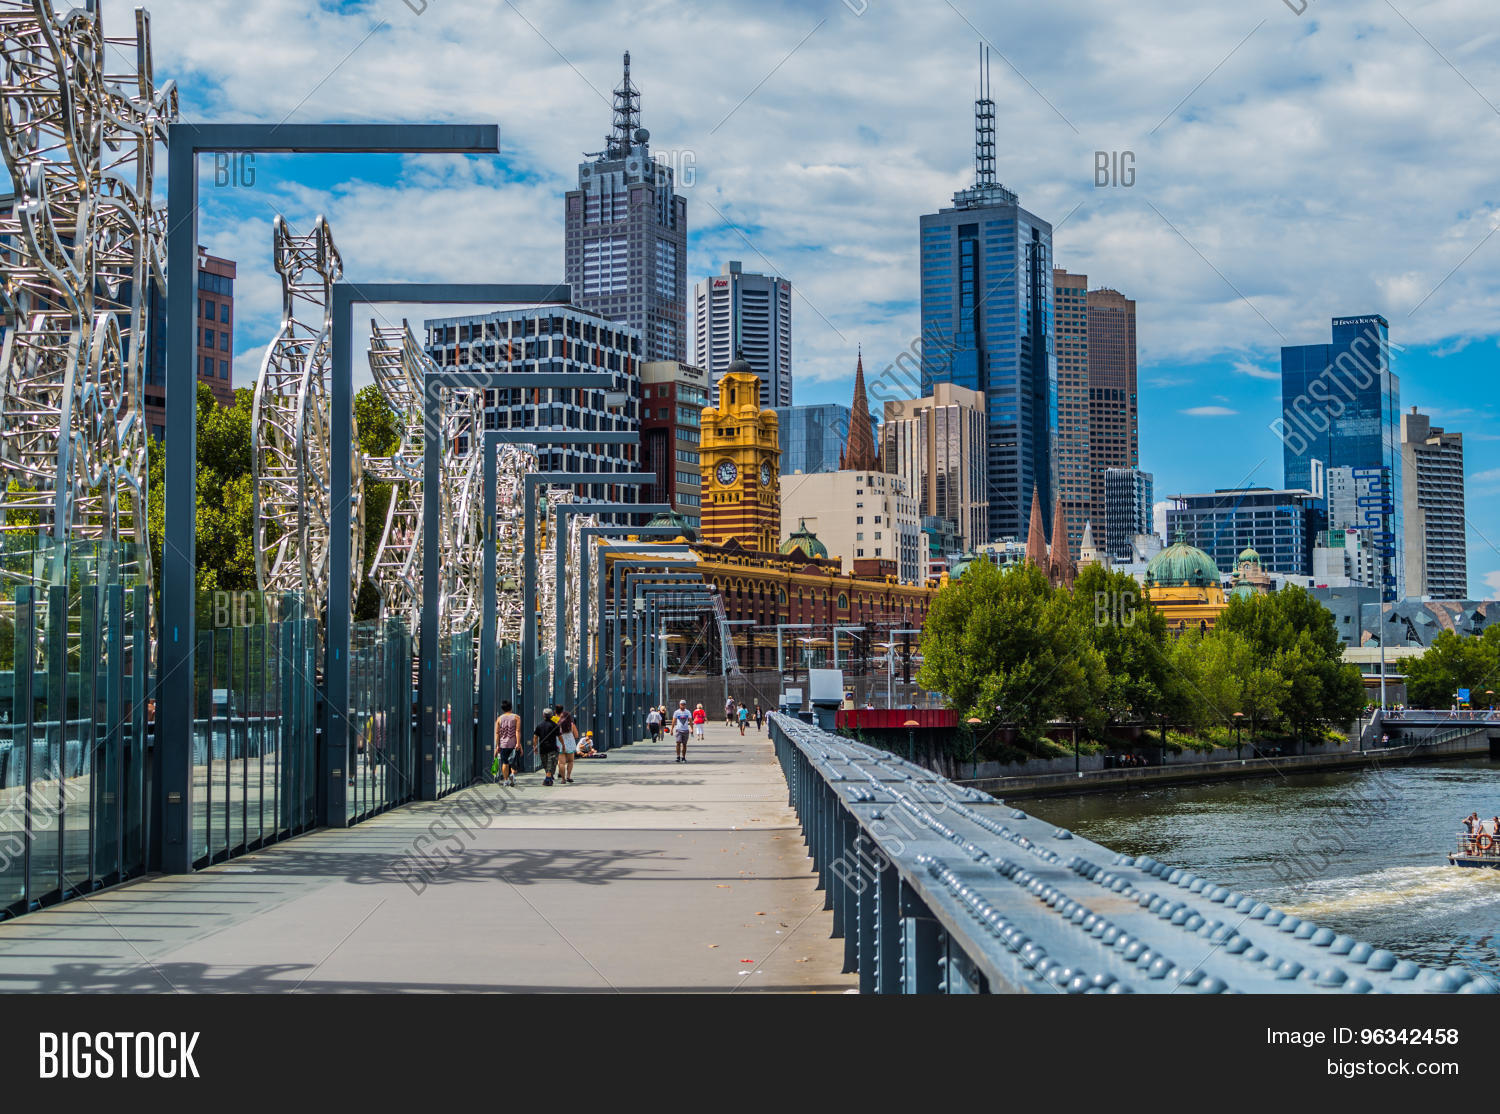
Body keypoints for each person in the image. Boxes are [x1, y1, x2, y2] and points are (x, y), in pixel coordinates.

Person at [494, 699, 522, 787]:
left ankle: (506, 780)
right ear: (511, 707)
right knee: (514, 761)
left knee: (505, 762)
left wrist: (497, 745)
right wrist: (518, 743)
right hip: (514, 744)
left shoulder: (499, 719)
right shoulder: (517, 717)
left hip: (503, 744)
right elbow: (517, 731)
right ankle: (512, 775)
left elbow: (497, 733)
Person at [533, 706, 562, 786]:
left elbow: (535, 737)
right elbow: (559, 736)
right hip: (552, 747)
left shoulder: (539, 725)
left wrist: (535, 746)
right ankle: (548, 778)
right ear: (551, 715)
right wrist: (563, 744)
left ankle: (548, 778)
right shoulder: (555, 725)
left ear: (543, 715)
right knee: (551, 763)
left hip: (542, 748)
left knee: (546, 764)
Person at [555, 707, 580, 785]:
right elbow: (576, 735)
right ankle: (568, 776)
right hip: (570, 745)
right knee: (570, 761)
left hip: (560, 744)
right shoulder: (571, 725)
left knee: (561, 763)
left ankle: (563, 779)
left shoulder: (557, 724)